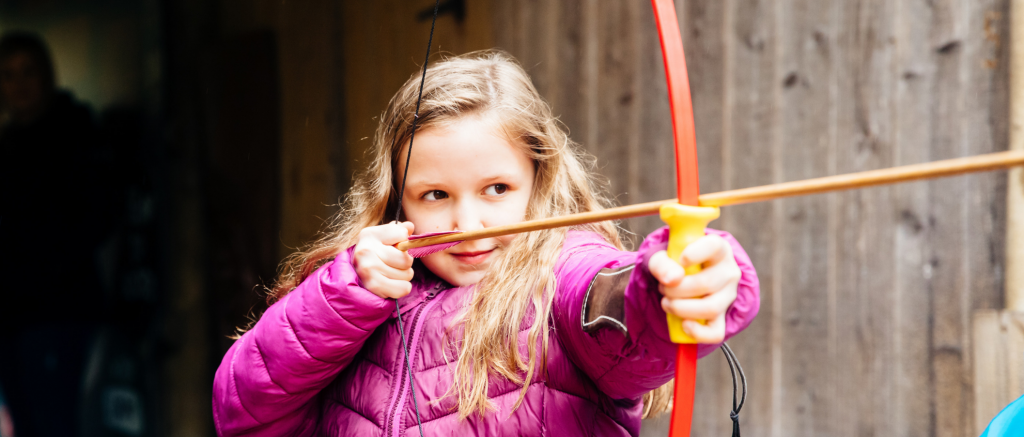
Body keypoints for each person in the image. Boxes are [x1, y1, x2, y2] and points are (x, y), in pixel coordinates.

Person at [212, 51, 760, 436]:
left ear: (539, 179)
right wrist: (345, 292)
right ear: (398, 200)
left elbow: (609, 299)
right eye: (434, 194)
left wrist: (668, 286)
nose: (467, 222)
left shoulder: (560, 269)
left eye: (497, 189)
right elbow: (241, 409)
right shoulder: (360, 290)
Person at [0, 31, 107, 437]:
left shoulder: (75, 135)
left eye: (28, 71)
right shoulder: (8, 144)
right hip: (14, 315)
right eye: (8, 74)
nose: (19, 84)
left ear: (46, 75)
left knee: (56, 423)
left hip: (60, 311)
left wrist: (47, 263)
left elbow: (97, 217)